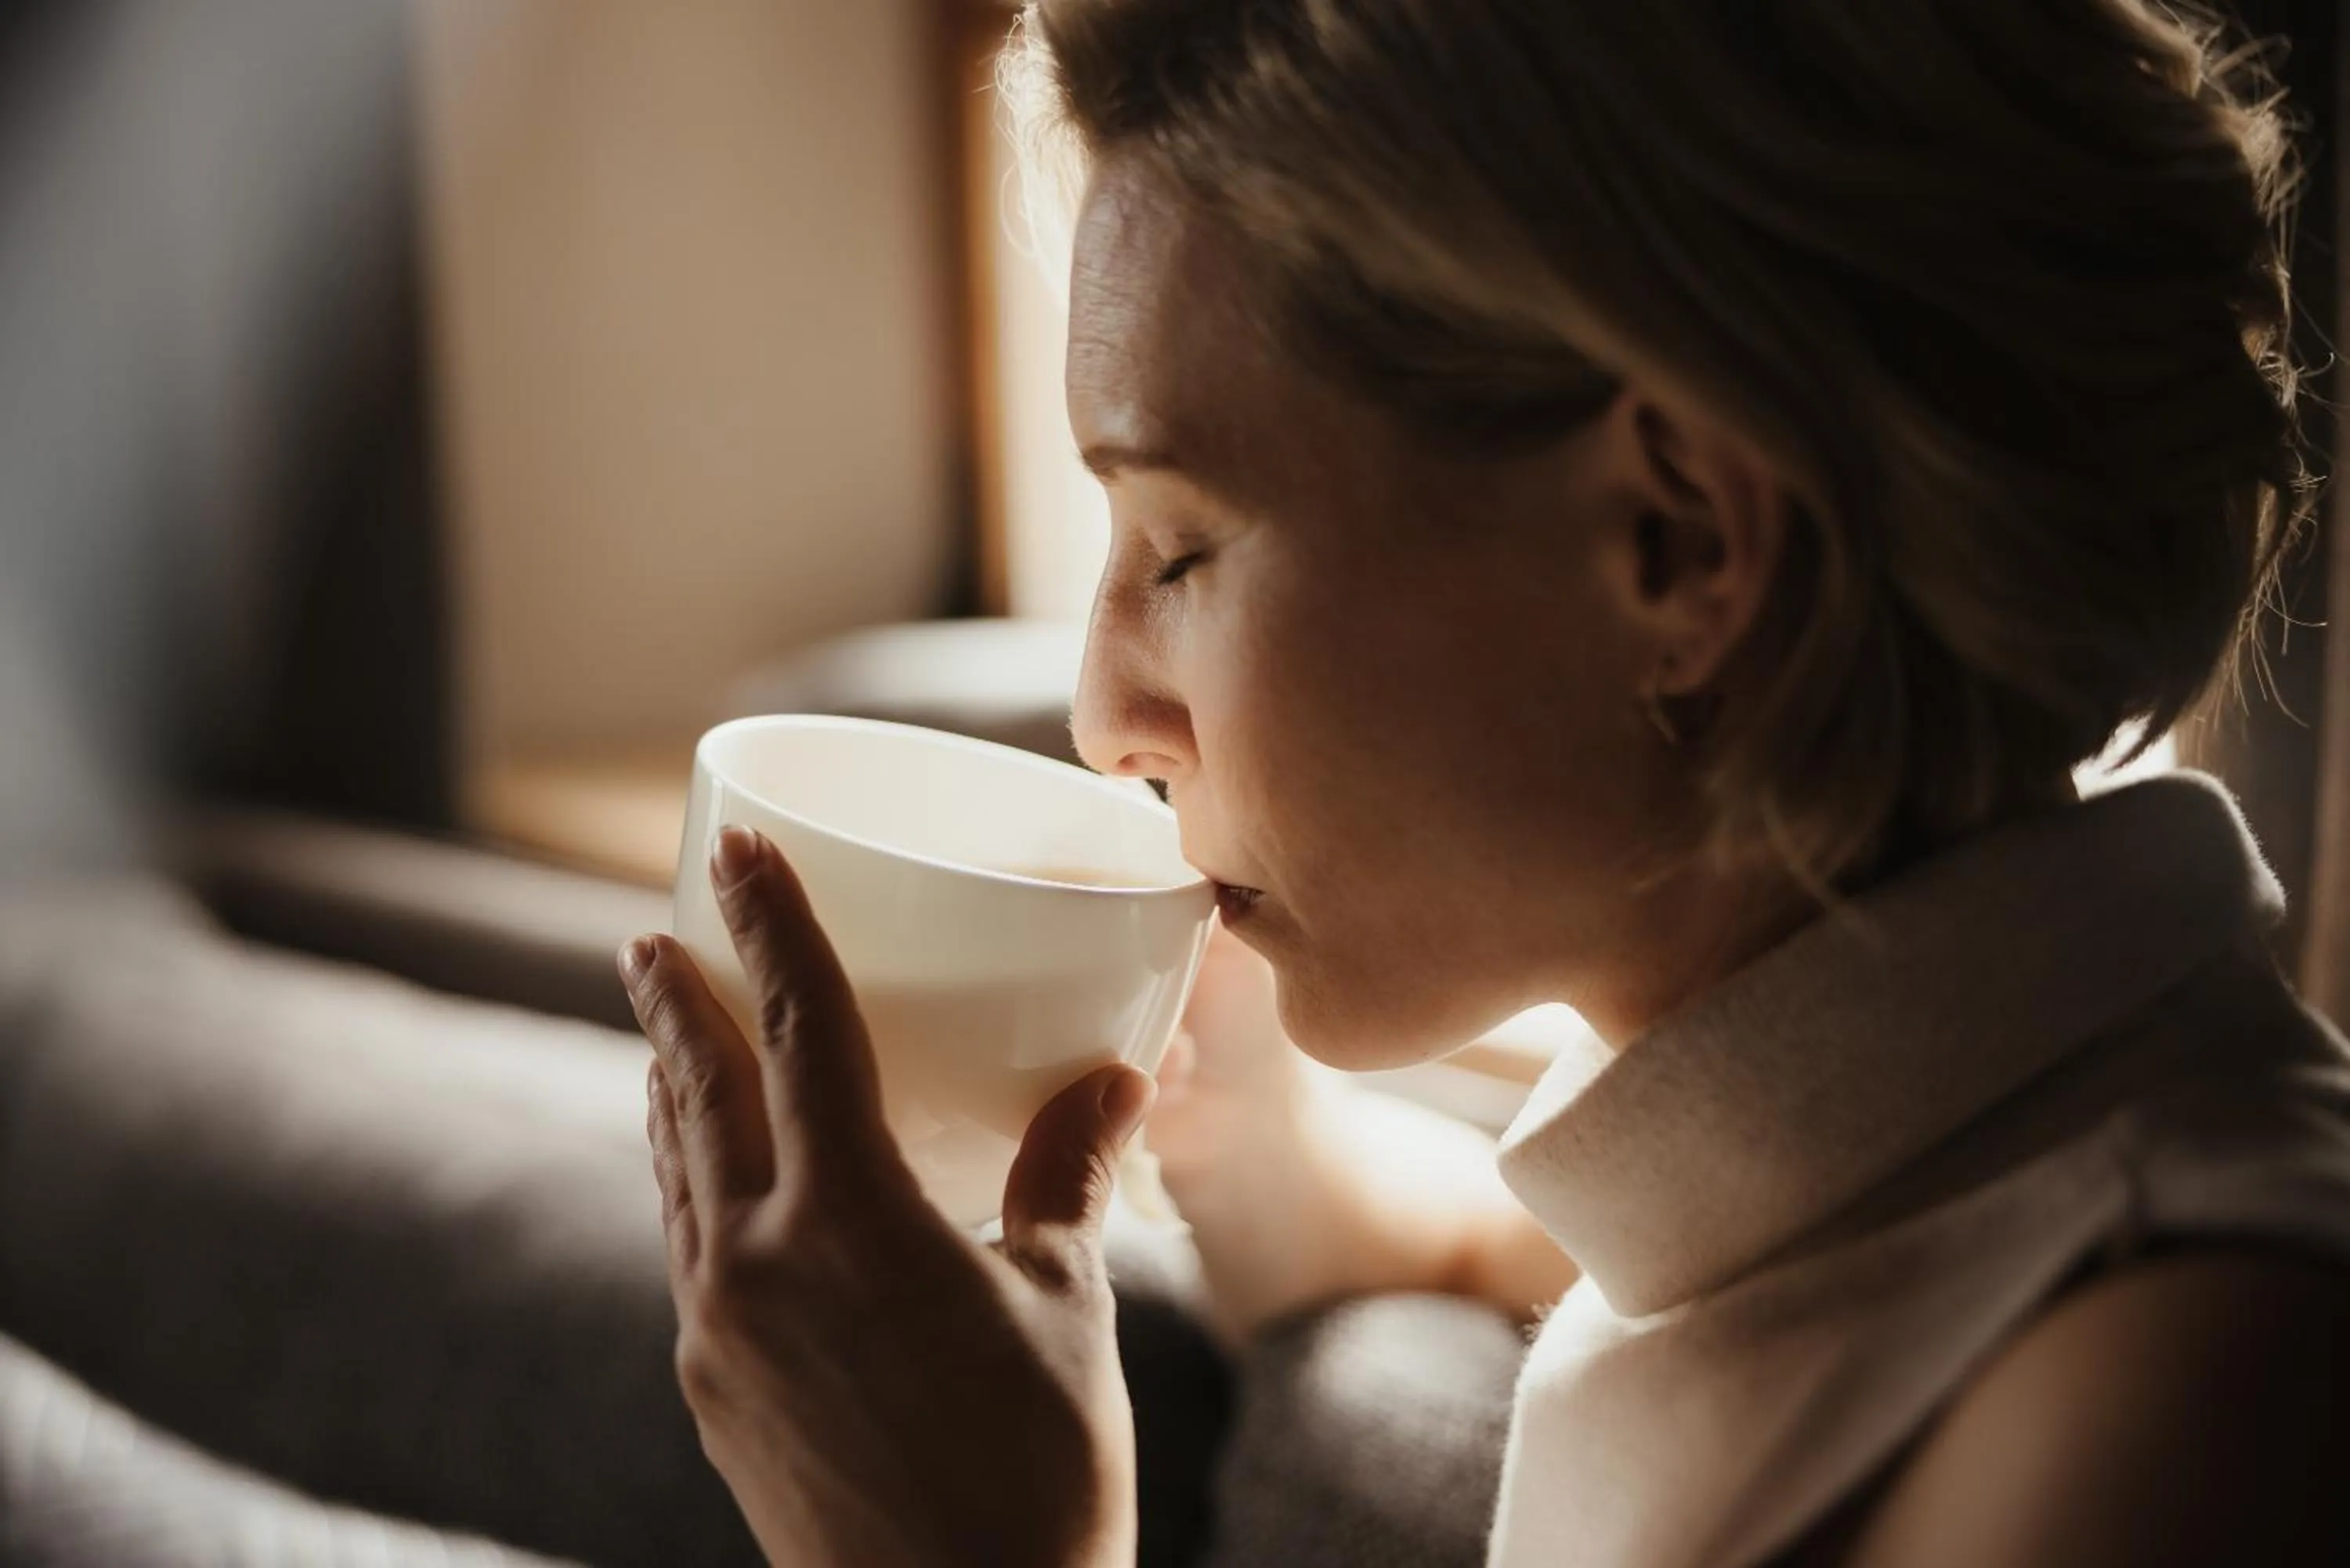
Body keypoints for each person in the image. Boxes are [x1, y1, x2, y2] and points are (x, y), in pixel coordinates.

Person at [614, 1, 2350, 1563]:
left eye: (1185, 544)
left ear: (1680, 546)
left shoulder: (2187, 1404)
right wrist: (1289, 1177)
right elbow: (1657, 1268)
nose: (1102, 709)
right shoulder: (1904, 1146)